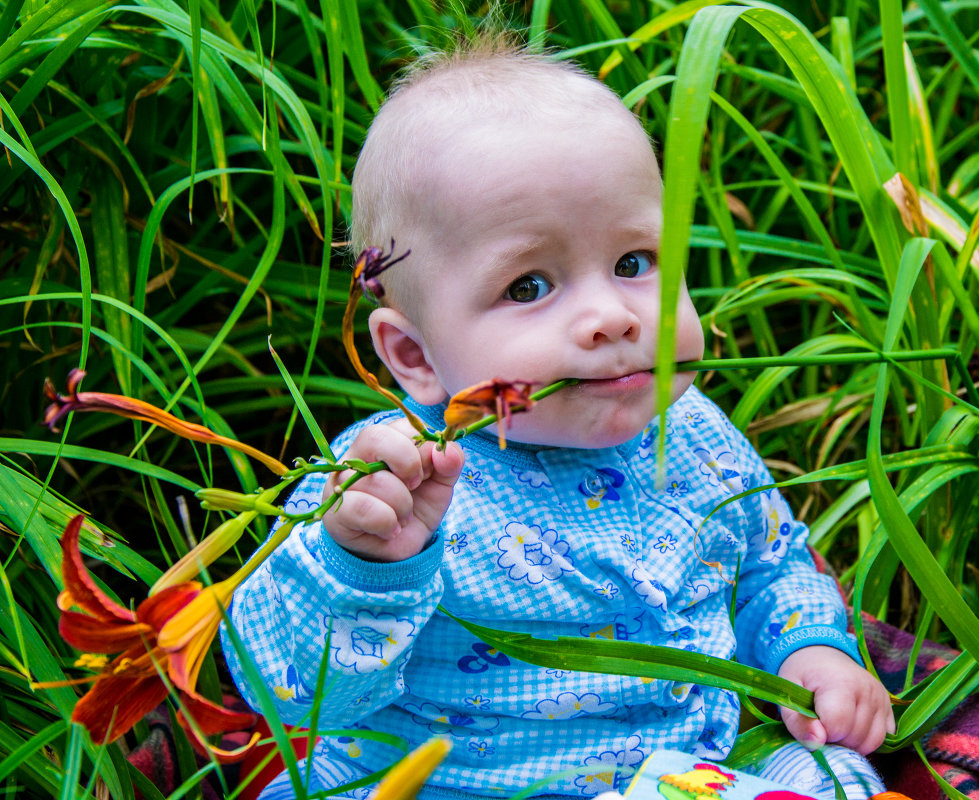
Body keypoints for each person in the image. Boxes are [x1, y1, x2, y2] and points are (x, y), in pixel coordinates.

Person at [222, 32, 893, 800]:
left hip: (693, 772)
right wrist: (365, 567)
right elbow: (284, 691)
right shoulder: (389, 487)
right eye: (530, 285)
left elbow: (772, 564)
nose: (610, 316)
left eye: (635, 264)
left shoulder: (696, 431)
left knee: (835, 777)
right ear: (413, 354)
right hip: (447, 787)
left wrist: (811, 651)